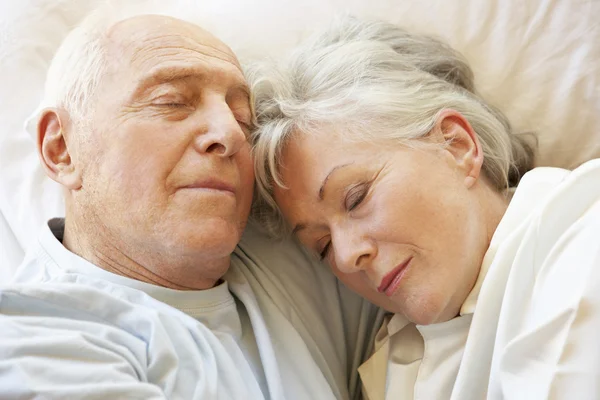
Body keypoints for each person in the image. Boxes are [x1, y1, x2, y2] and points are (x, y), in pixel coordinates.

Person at [0, 8, 382, 399]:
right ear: (61, 149)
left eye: (244, 117)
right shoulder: (36, 340)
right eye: (172, 102)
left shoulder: (316, 251)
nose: (230, 134)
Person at [250, 16, 600, 400]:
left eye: (357, 197)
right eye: (323, 246)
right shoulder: (392, 361)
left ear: (457, 147)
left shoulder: (581, 238)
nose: (348, 257)